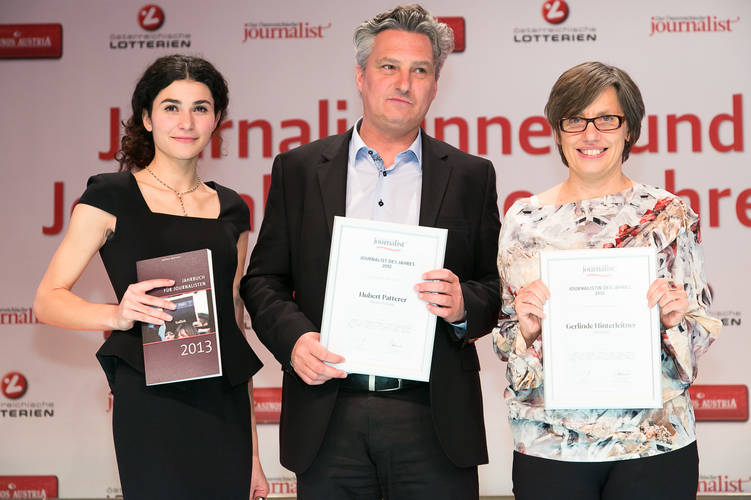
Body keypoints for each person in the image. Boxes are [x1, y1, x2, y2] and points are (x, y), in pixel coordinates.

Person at [241, 5, 501, 499]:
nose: (404, 83)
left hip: (434, 418)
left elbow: (492, 286)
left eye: (420, 70)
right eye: (389, 67)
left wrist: (463, 305)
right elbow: (263, 280)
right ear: (360, 76)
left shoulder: (471, 175)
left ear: (435, 85)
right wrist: (295, 342)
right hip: (328, 414)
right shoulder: (300, 169)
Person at [34, 55, 270, 500]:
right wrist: (117, 315)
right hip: (150, 400)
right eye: (171, 107)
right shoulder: (110, 196)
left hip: (224, 405)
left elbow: (234, 324)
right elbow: (47, 299)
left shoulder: (233, 208)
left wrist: (254, 452)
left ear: (217, 118)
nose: (186, 122)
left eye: (200, 108)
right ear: (146, 117)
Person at [493, 61, 721, 499]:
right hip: (551, 444)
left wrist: (675, 321)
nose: (590, 134)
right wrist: (525, 329)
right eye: (575, 120)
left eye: (606, 119)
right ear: (557, 132)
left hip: (654, 443)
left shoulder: (668, 215)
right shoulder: (524, 220)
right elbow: (505, 341)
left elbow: (699, 338)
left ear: (629, 129)